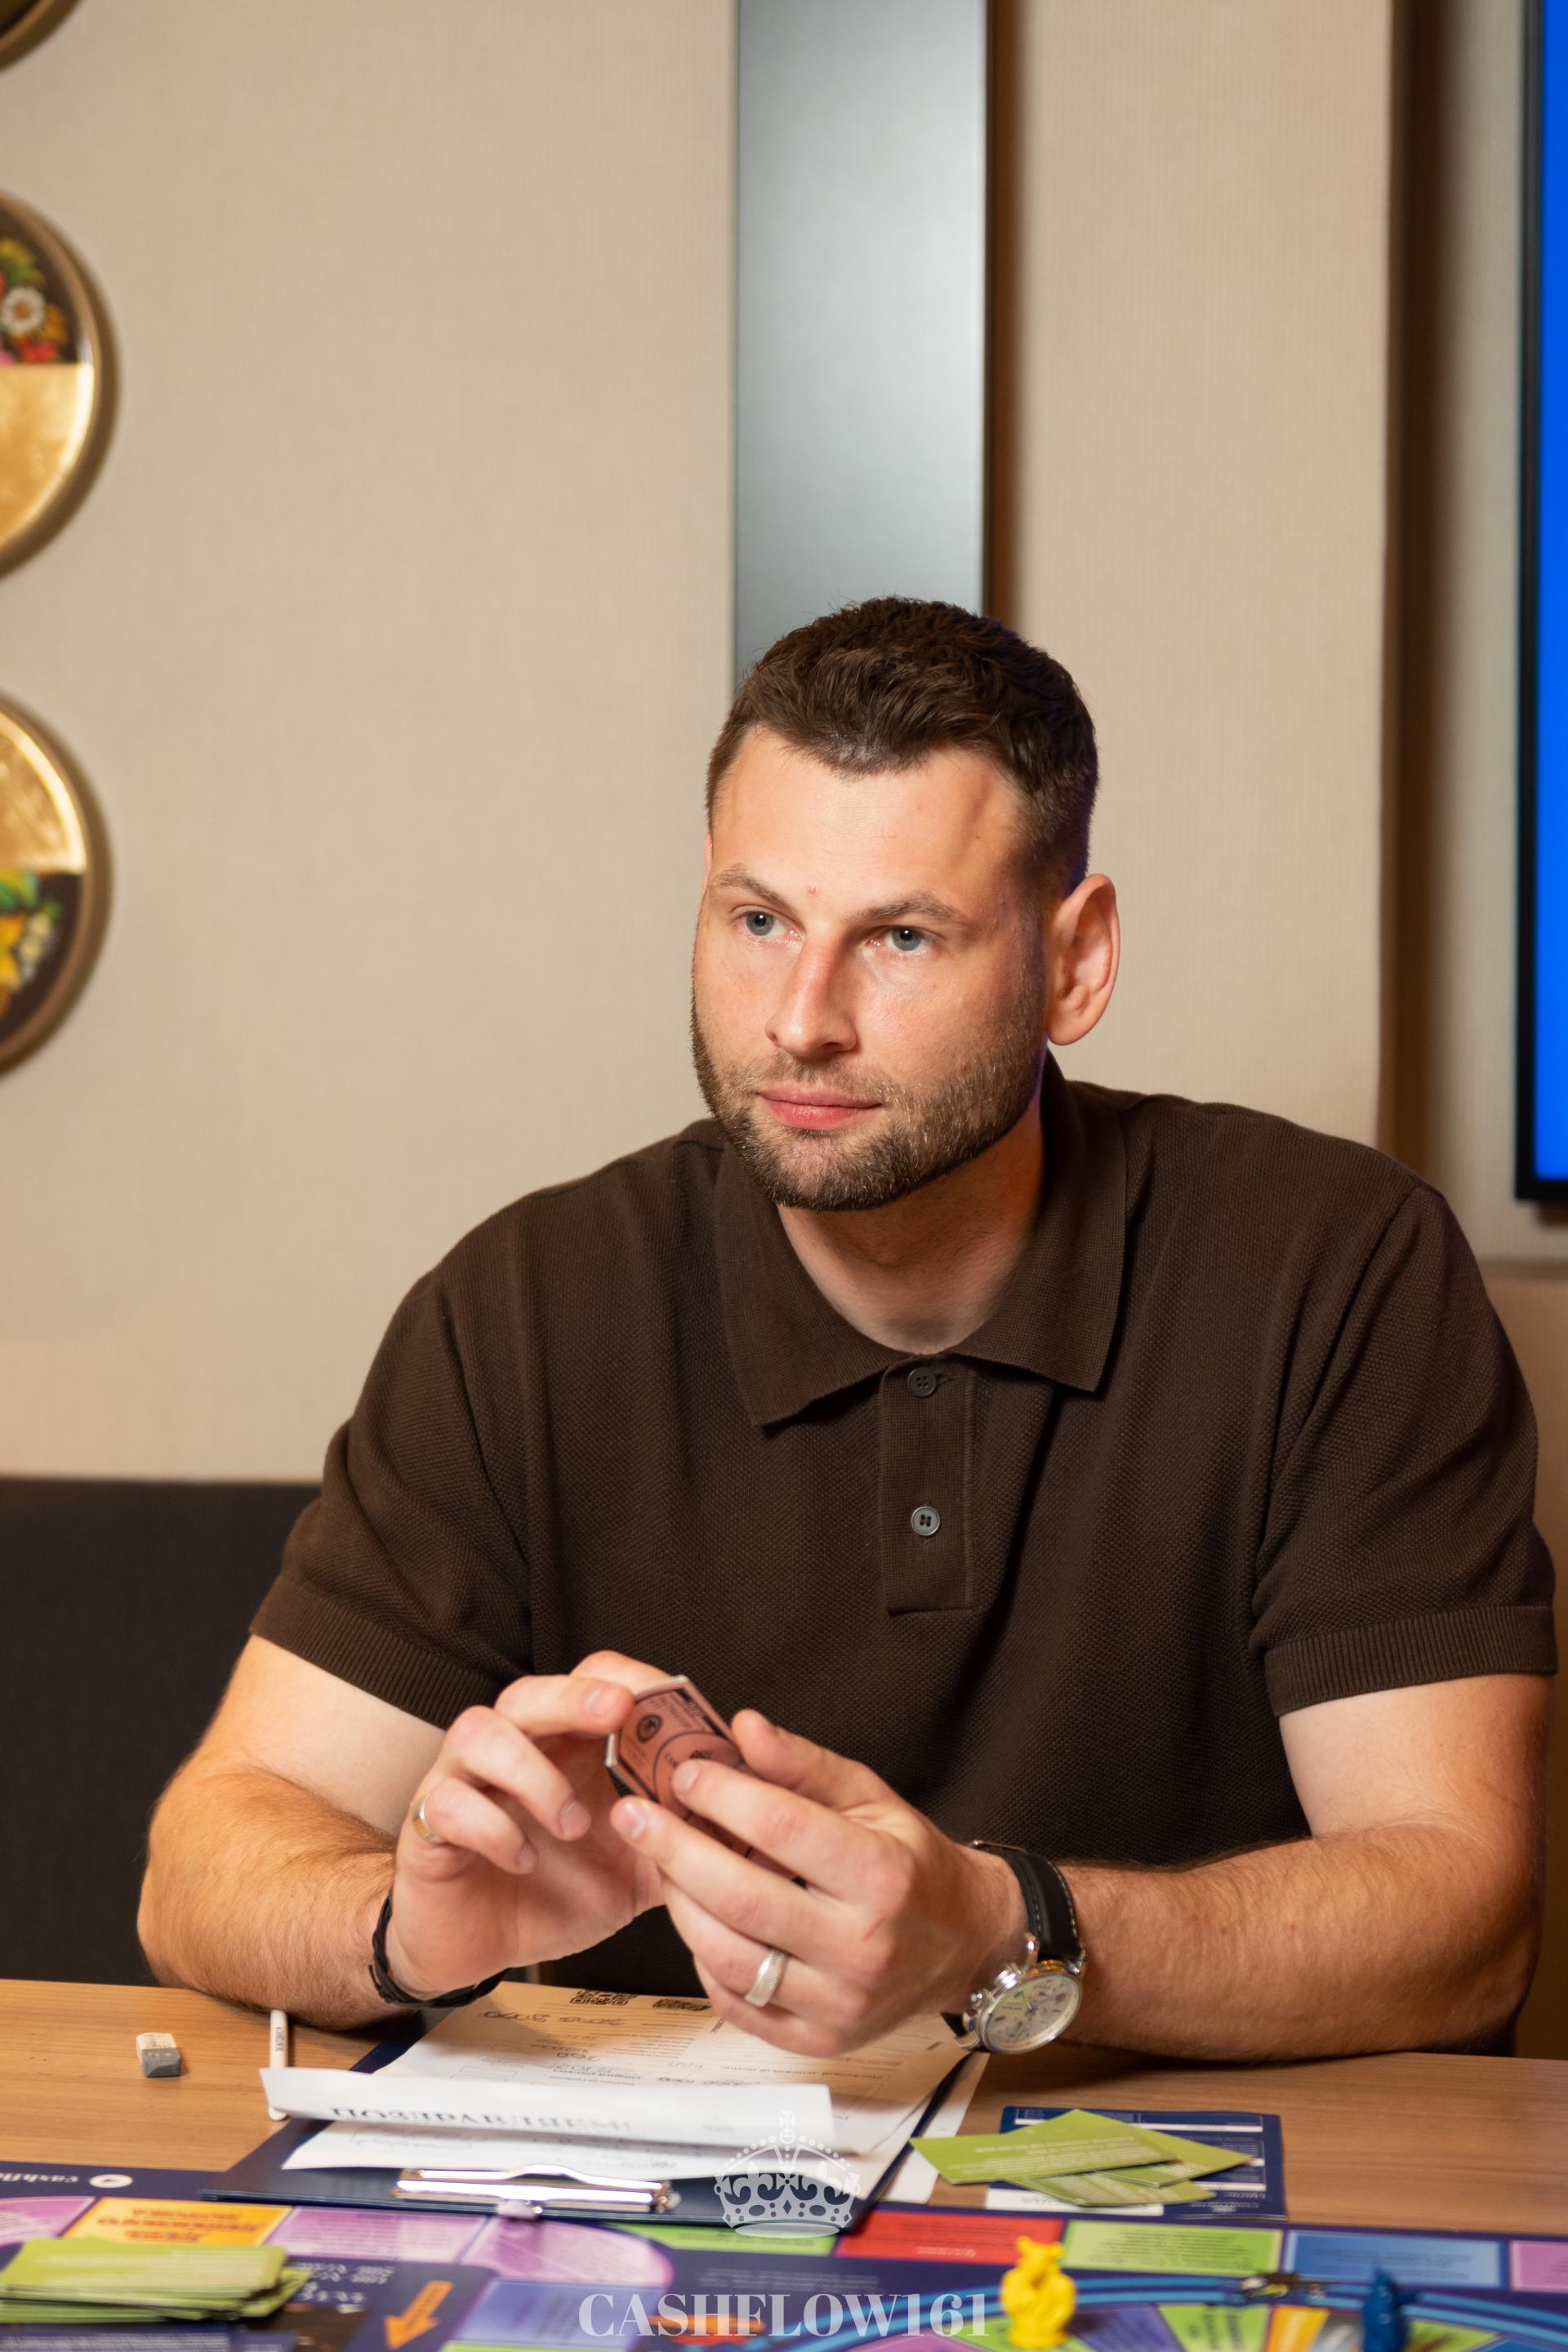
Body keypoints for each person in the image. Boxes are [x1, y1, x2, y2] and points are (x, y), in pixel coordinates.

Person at [139, 599, 1554, 2061]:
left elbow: (1465, 1923)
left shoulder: (1336, 1267)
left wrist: (1002, 1933)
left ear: (1075, 961)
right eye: (758, 922)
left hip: (1191, 2173)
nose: (801, 1020)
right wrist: (403, 1934)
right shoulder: (523, 1307)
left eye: (902, 937)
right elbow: (209, 1858)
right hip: (670, 2192)